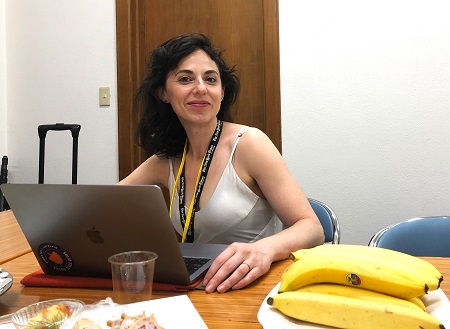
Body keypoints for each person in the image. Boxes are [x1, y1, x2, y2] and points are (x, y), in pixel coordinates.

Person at [118, 33, 325, 293]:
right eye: (185, 79)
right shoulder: (167, 159)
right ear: (163, 92)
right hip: (200, 290)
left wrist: (264, 250)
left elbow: (312, 228)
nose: (201, 88)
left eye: (211, 79)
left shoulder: (250, 144)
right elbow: (102, 206)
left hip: (249, 289)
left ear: (222, 91)